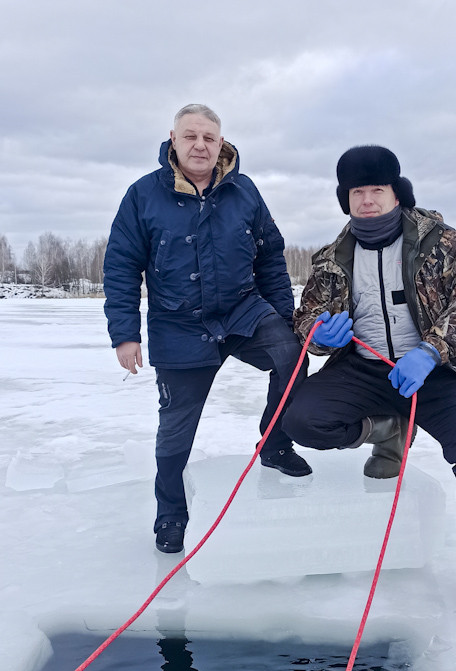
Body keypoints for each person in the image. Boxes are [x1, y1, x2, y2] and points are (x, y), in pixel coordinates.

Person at [283, 145, 456, 610]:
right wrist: (321, 335)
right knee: (302, 421)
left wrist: (431, 351)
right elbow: (305, 316)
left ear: (396, 192)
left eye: (377, 189)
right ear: (345, 198)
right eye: (357, 192)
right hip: (364, 369)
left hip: (438, 368)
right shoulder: (333, 256)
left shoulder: (442, 242)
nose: (367, 200)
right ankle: (392, 429)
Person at [103, 104, 311, 555]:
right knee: (175, 429)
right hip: (179, 324)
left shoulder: (244, 191)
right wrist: (125, 332)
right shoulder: (143, 195)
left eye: (209, 138)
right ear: (173, 140)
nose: (200, 145)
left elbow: (271, 256)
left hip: (242, 311)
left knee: (291, 357)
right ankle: (171, 513)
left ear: (221, 144)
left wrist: (284, 316)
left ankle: (274, 444)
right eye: (191, 136)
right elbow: (121, 266)